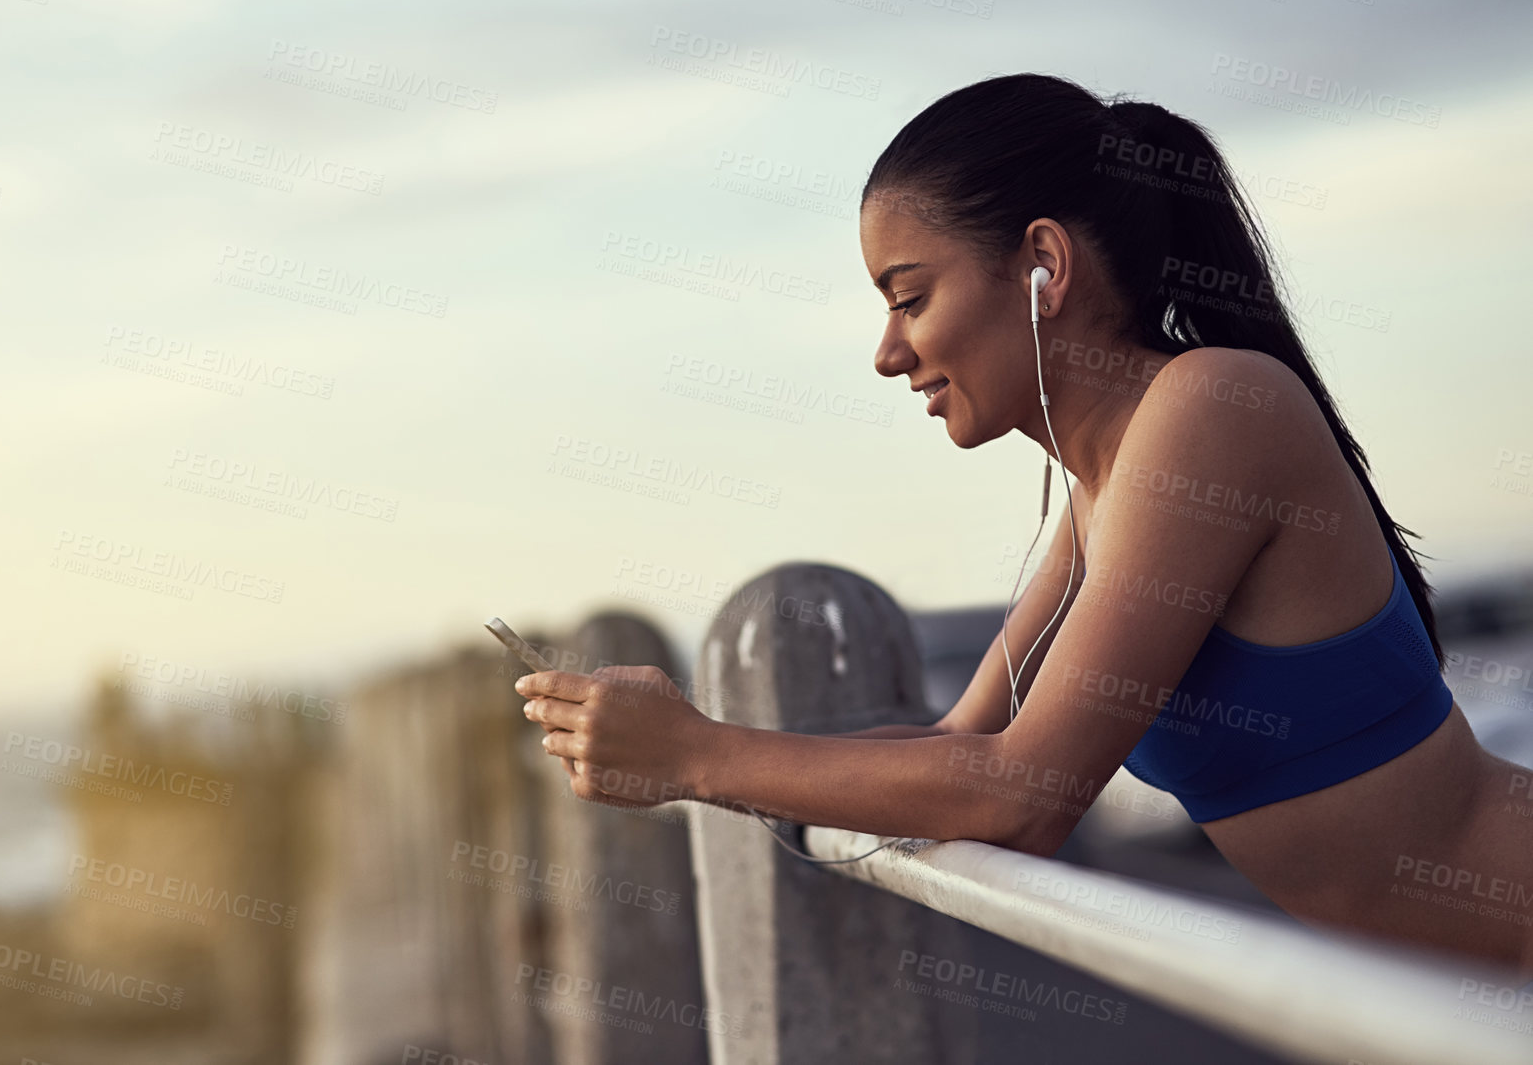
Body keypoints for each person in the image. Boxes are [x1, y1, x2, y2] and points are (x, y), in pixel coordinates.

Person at [517, 73, 1533, 974]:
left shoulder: (1213, 408)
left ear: (1044, 263)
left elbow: (1023, 796)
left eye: (908, 297)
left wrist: (696, 754)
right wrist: (684, 743)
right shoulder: (1105, 486)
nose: (887, 352)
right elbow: (960, 746)